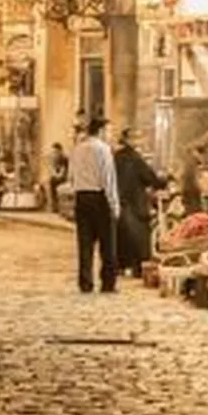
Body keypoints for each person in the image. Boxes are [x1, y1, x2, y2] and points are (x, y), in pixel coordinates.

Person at [69, 117, 120, 294]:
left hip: (81, 197)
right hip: (100, 198)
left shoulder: (77, 149)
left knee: (85, 244)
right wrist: (114, 204)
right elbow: (108, 178)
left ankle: (85, 282)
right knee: (108, 244)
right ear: (101, 131)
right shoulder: (103, 149)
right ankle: (108, 282)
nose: (110, 135)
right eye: (109, 131)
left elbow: (71, 175)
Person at [114, 129, 167, 278]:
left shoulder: (116, 157)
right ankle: (138, 267)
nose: (139, 141)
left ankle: (121, 266)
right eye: (136, 138)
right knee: (139, 236)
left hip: (119, 201)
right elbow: (149, 177)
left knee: (121, 235)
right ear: (128, 140)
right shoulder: (135, 158)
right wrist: (164, 181)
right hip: (134, 202)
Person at [47, 142, 68, 214]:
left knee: (61, 192)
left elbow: (64, 169)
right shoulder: (52, 158)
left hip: (62, 178)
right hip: (54, 177)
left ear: (60, 151)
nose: (54, 153)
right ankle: (54, 207)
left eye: (56, 152)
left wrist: (59, 175)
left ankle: (60, 208)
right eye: (53, 152)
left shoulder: (64, 158)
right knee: (53, 190)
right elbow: (51, 168)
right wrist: (54, 174)